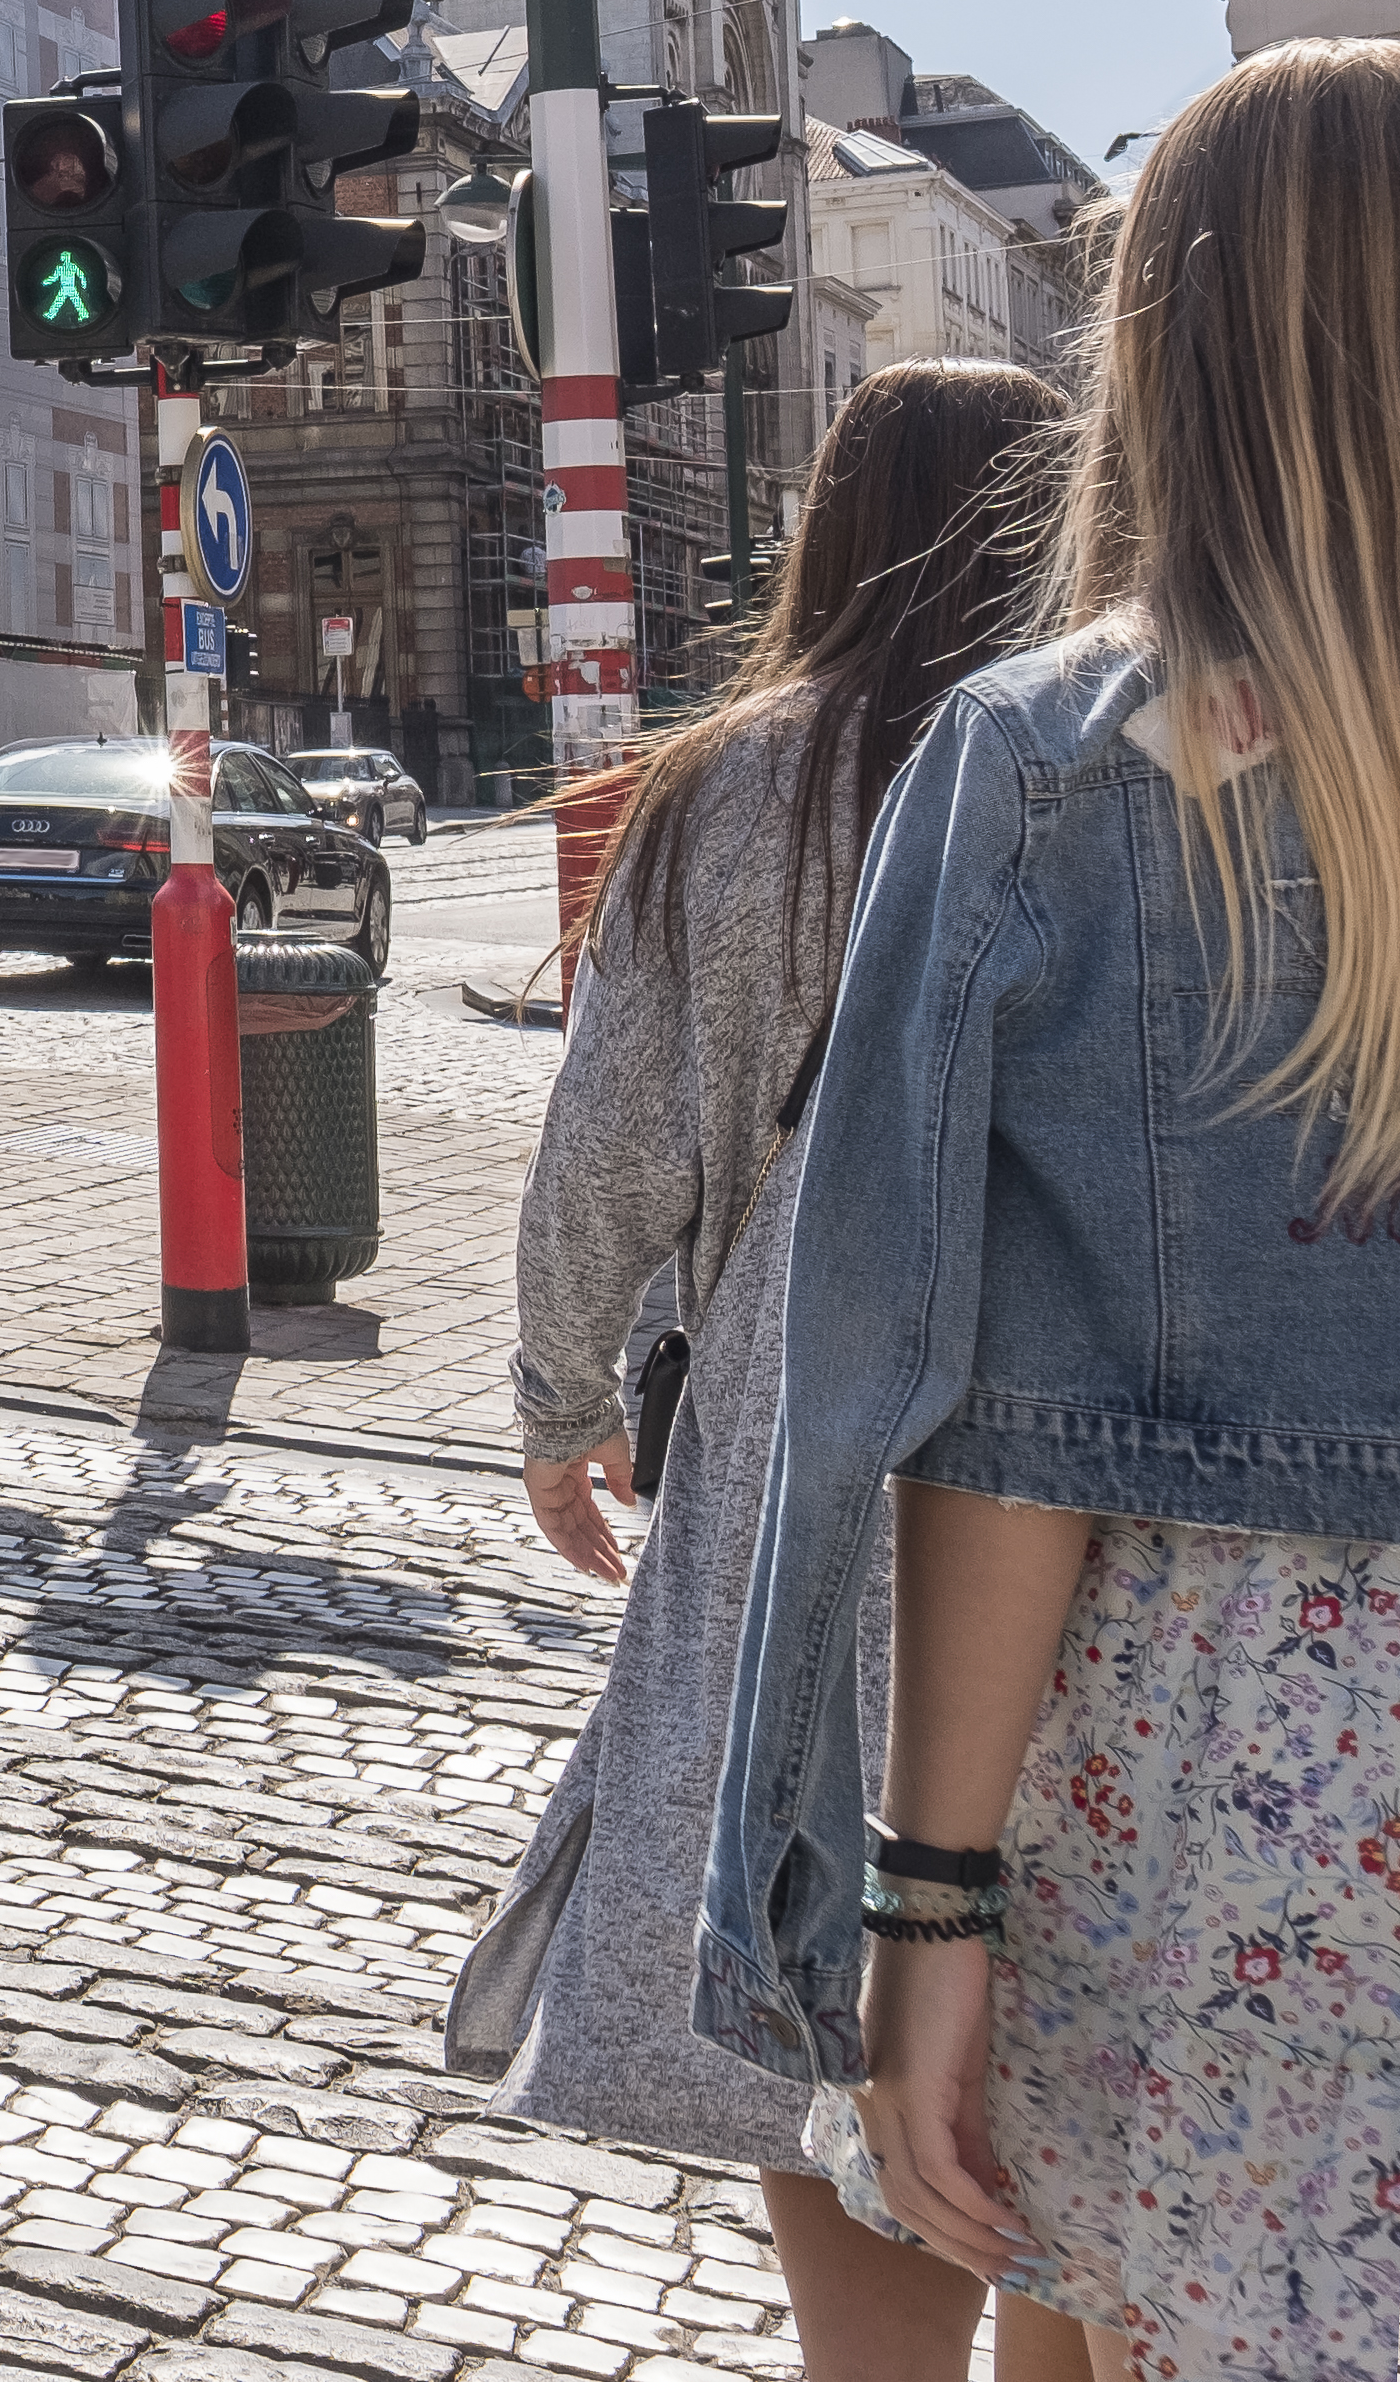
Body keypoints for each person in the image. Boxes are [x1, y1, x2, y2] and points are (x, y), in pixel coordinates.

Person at [704, 41, 1400, 2377]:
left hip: (1222, 1784)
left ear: (1158, 352)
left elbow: (957, 1407)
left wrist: (911, 1916)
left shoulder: (1055, 762)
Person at [446, 359, 1071, 2382]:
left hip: (805, 1509)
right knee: (1083, 2190)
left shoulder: (733, 787)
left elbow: (605, 1156)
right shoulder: (1109, 768)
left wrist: (559, 1413)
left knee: (840, 2054)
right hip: (1078, 1542)